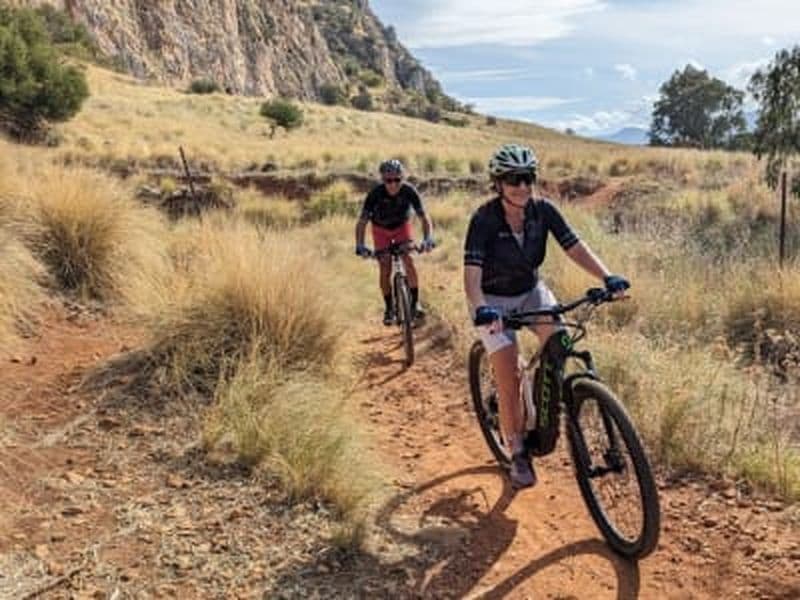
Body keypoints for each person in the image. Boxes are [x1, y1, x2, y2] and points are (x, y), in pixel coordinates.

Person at [463, 143, 629, 489]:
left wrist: (607, 276)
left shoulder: (543, 211)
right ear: (498, 183)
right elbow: (472, 275)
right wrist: (481, 308)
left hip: (529, 291)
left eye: (528, 178)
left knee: (560, 343)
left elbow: (574, 246)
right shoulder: (484, 220)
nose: (522, 186)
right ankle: (517, 450)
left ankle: (545, 409)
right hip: (492, 300)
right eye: (513, 179)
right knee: (508, 372)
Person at [355, 159, 435, 325]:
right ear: (382, 180)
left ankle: (415, 303)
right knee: (385, 267)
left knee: (409, 259)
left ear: (402, 178)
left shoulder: (409, 191)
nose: (393, 184)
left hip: (401, 228)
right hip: (380, 230)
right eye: (388, 180)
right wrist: (360, 245)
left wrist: (428, 238)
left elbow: (424, 217)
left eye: (397, 180)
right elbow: (362, 222)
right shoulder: (375, 194)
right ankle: (389, 308)